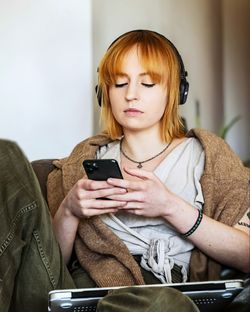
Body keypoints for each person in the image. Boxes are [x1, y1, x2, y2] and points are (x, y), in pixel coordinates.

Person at [0, 30, 249, 312]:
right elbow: (47, 263)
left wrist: (169, 207)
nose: (131, 95)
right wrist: (69, 211)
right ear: (104, 92)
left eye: (147, 83)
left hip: (160, 295)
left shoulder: (205, 155)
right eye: (119, 84)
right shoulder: (85, 159)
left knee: (159, 303)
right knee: (4, 154)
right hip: (77, 288)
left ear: (176, 91)